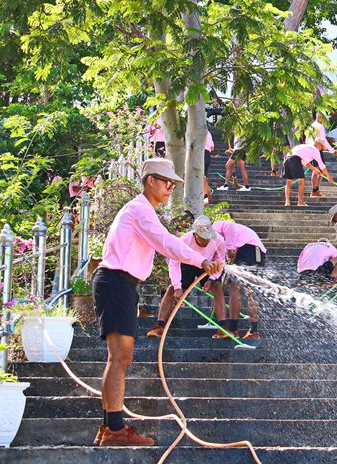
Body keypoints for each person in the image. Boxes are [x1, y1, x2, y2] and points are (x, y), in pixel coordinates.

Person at [92, 158, 222, 446]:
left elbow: (164, 242)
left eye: (173, 184)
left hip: (120, 284)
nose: (169, 189)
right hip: (115, 283)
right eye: (166, 183)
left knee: (119, 359)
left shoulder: (142, 210)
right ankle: (113, 430)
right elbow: (166, 243)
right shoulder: (140, 210)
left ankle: (109, 428)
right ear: (150, 180)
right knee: (120, 358)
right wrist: (202, 260)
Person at [146, 215, 226, 338]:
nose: (206, 241)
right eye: (203, 238)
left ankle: (223, 328)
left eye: (208, 237)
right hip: (186, 264)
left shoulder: (218, 240)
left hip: (207, 265)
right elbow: (174, 263)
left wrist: (212, 279)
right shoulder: (184, 240)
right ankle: (160, 325)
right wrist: (178, 287)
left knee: (217, 286)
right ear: (195, 234)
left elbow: (220, 262)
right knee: (171, 289)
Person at [212, 220, 267, 339]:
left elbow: (228, 225)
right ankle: (246, 330)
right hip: (249, 251)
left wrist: (230, 248)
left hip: (250, 248)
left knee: (244, 289)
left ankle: (241, 330)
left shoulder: (213, 227)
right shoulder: (218, 241)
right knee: (240, 288)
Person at [203, 129, 215, 203]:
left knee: (202, 176)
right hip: (208, 155)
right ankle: (207, 196)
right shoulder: (208, 133)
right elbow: (212, 148)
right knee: (204, 176)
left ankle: (206, 196)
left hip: (201, 153)